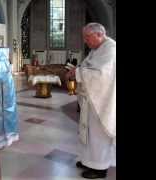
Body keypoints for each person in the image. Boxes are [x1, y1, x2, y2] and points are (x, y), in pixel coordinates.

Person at [66, 23, 116, 179]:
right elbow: (88, 65)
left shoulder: (111, 49)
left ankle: (100, 168)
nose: (85, 41)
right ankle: (88, 161)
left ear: (99, 34)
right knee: (88, 132)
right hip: (91, 100)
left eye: (87, 37)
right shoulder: (97, 49)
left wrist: (78, 73)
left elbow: (102, 75)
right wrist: (77, 70)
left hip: (102, 101)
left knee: (98, 135)